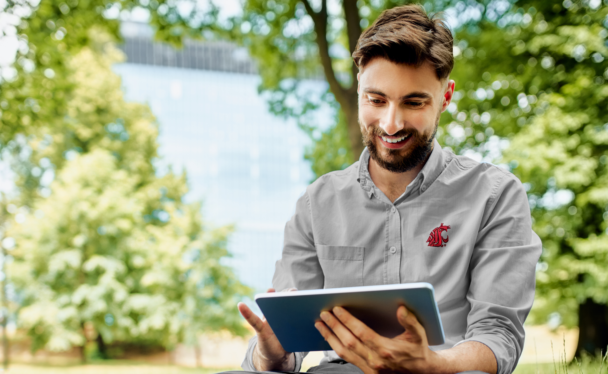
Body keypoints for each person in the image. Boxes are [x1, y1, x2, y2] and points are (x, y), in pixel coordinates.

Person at [217, 4, 542, 374]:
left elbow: (499, 336)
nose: (391, 124)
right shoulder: (317, 203)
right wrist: (272, 354)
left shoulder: (496, 196)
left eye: (414, 102)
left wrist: (432, 363)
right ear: (359, 90)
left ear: (445, 97)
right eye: (376, 100)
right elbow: (284, 340)